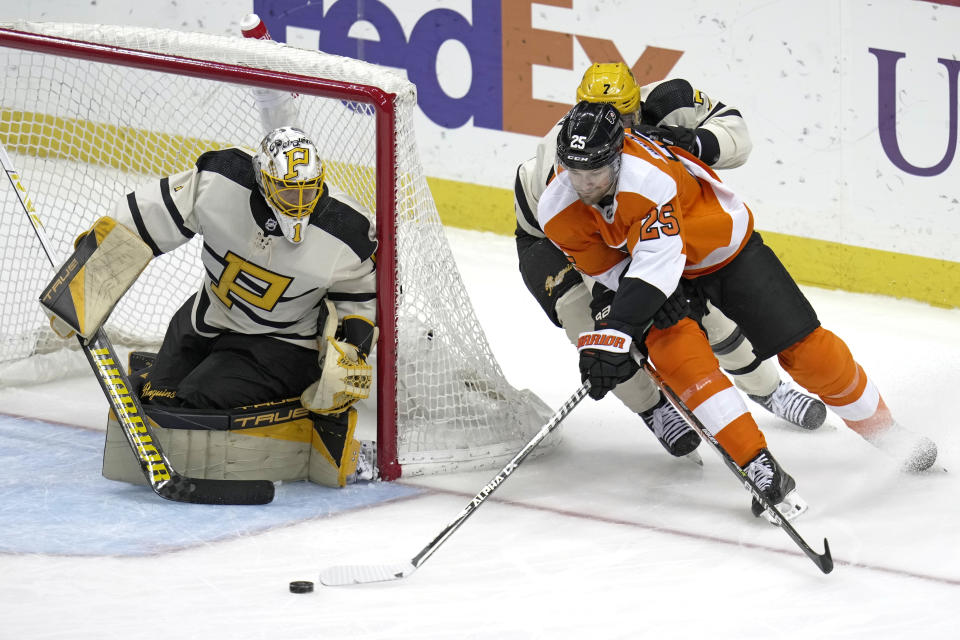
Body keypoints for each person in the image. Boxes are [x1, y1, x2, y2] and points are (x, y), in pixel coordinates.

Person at [539, 100, 938, 518]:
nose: (584, 184)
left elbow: (656, 264)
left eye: (595, 173)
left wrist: (618, 332)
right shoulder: (556, 208)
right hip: (658, 266)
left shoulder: (648, 179)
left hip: (721, 249)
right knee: (679, 356)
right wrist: (611, 337)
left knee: (808, 353)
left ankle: (887, 432)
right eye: (575, 171)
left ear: (618, 156)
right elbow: (614, 270)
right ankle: (759, 466)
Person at [514, 63, 826, 463]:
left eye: (627, 118)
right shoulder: (560, 164)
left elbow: (738, 137)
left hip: (634, 225)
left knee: (700, 306)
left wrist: (692, 142)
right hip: (557, 241)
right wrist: (619, 304)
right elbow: (584, 249)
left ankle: (766, 387)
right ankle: (653, 408)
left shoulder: (668, 101)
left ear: (638, 106)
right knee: (591, 327)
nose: (618, 130)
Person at [40, 125, 379, 485]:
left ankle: (308, 436)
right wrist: (90, 271)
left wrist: (350, 352)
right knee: (159, 403)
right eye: (285, 189)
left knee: (197, 404)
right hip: (207, 318)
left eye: (307, 189)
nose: (298, 202)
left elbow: (359, 295)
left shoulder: (344, 229)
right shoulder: (219, 183)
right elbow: (144, 219)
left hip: (281, 343)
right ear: (263, 180)